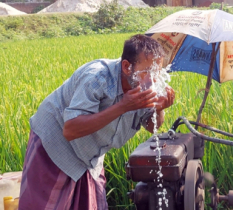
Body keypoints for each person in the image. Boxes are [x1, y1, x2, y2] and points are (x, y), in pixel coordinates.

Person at [18, 34, 175, 210]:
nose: (153, 80)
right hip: (54, 144)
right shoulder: (97, 78)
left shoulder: (144, 85)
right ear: (126, 67)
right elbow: (70, 130)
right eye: (147, 72)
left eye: (157, 72)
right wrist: (124, 106)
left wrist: (159, 108)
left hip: (90, 154)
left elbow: (151, 126)